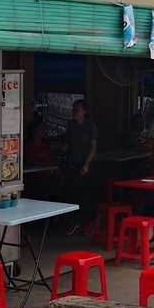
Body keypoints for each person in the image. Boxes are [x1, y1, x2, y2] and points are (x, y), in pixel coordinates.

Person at [63, 99, 98, 236]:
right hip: (72, 163)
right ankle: (74, 222)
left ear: (84, 111)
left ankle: (88, 223)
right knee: (72, 194)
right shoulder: (70, 124)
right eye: (73, 110)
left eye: (77, 110)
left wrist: (87, 164)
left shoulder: (90, 125)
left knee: (86, 195)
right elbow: (67, 143)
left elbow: (93, 147)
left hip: (85, 165)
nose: (74, 112)